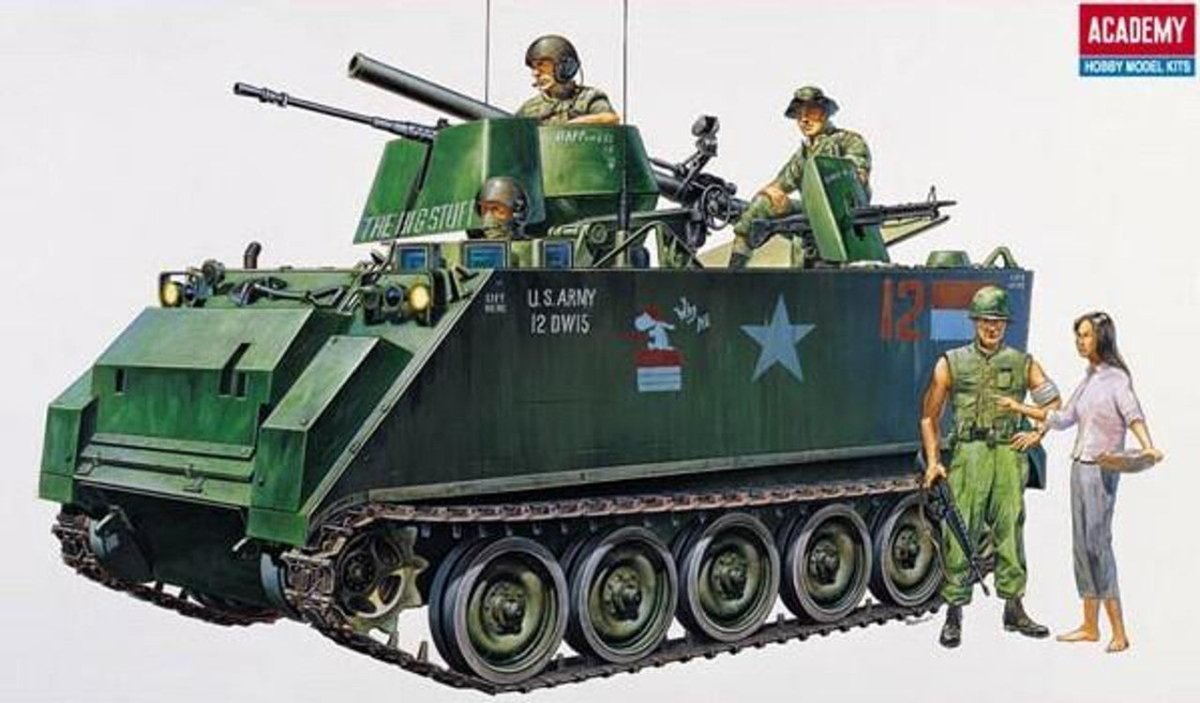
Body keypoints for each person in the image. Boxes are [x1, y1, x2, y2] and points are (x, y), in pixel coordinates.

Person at [998, 311, 1163, 653]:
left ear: (1101, 338)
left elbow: (1133, 414)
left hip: (1102, 468)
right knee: (1081, 547)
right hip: (1080, 466)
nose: (1079, 341)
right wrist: (1020, 408)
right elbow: (1062, 418)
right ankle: (1090, 626)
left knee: (1098, 546)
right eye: (1078, 335)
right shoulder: (1089, 378)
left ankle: (1119, 632)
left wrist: (1148, 447)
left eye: (1085, 335)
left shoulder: (1116, 379)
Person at [920, 285, 1060, 648]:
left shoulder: (1022, 362)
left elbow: (1053, 403)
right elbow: (929, 417)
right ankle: (954, 612)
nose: (992, 327)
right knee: (959, 530)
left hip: (1008, 455)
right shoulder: (951, 362)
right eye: (985, 320)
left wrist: (1038, 433)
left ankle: (1014, 608)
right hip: (968, 454)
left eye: (998, 321)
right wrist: (934, 462)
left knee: (1010, 529)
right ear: (975, 322)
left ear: (1006, 324)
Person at [727, 86, 870, 268]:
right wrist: (769, 195)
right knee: (763, 203)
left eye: (812, 112)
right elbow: (779, 184)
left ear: (825, 113)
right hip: (811, 218)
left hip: (843, 217)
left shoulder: (848, 141)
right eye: (799, 115)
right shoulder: (803, 154)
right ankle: (734, 269)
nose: (804, 119)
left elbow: (855, 182)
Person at [516, 35, 620, 126]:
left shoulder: (588, 97)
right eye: (533, 67)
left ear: (565, 67)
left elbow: (610, 119)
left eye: (542, 65)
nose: (535, 73)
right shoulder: (529, 108)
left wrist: (570, 127)